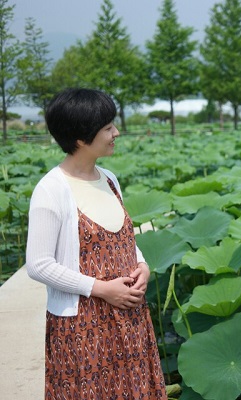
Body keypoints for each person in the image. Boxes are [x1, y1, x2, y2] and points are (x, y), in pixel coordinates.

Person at [25, 88, 167, 399]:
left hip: (129, 315)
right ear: (80, 137)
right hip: (83, 325)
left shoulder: (110, 179)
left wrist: (141, 264)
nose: (116, 133)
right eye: (107, 128)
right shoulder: (51, 190)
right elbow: (38, 264)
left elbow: (123, 236)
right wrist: (102, 289)